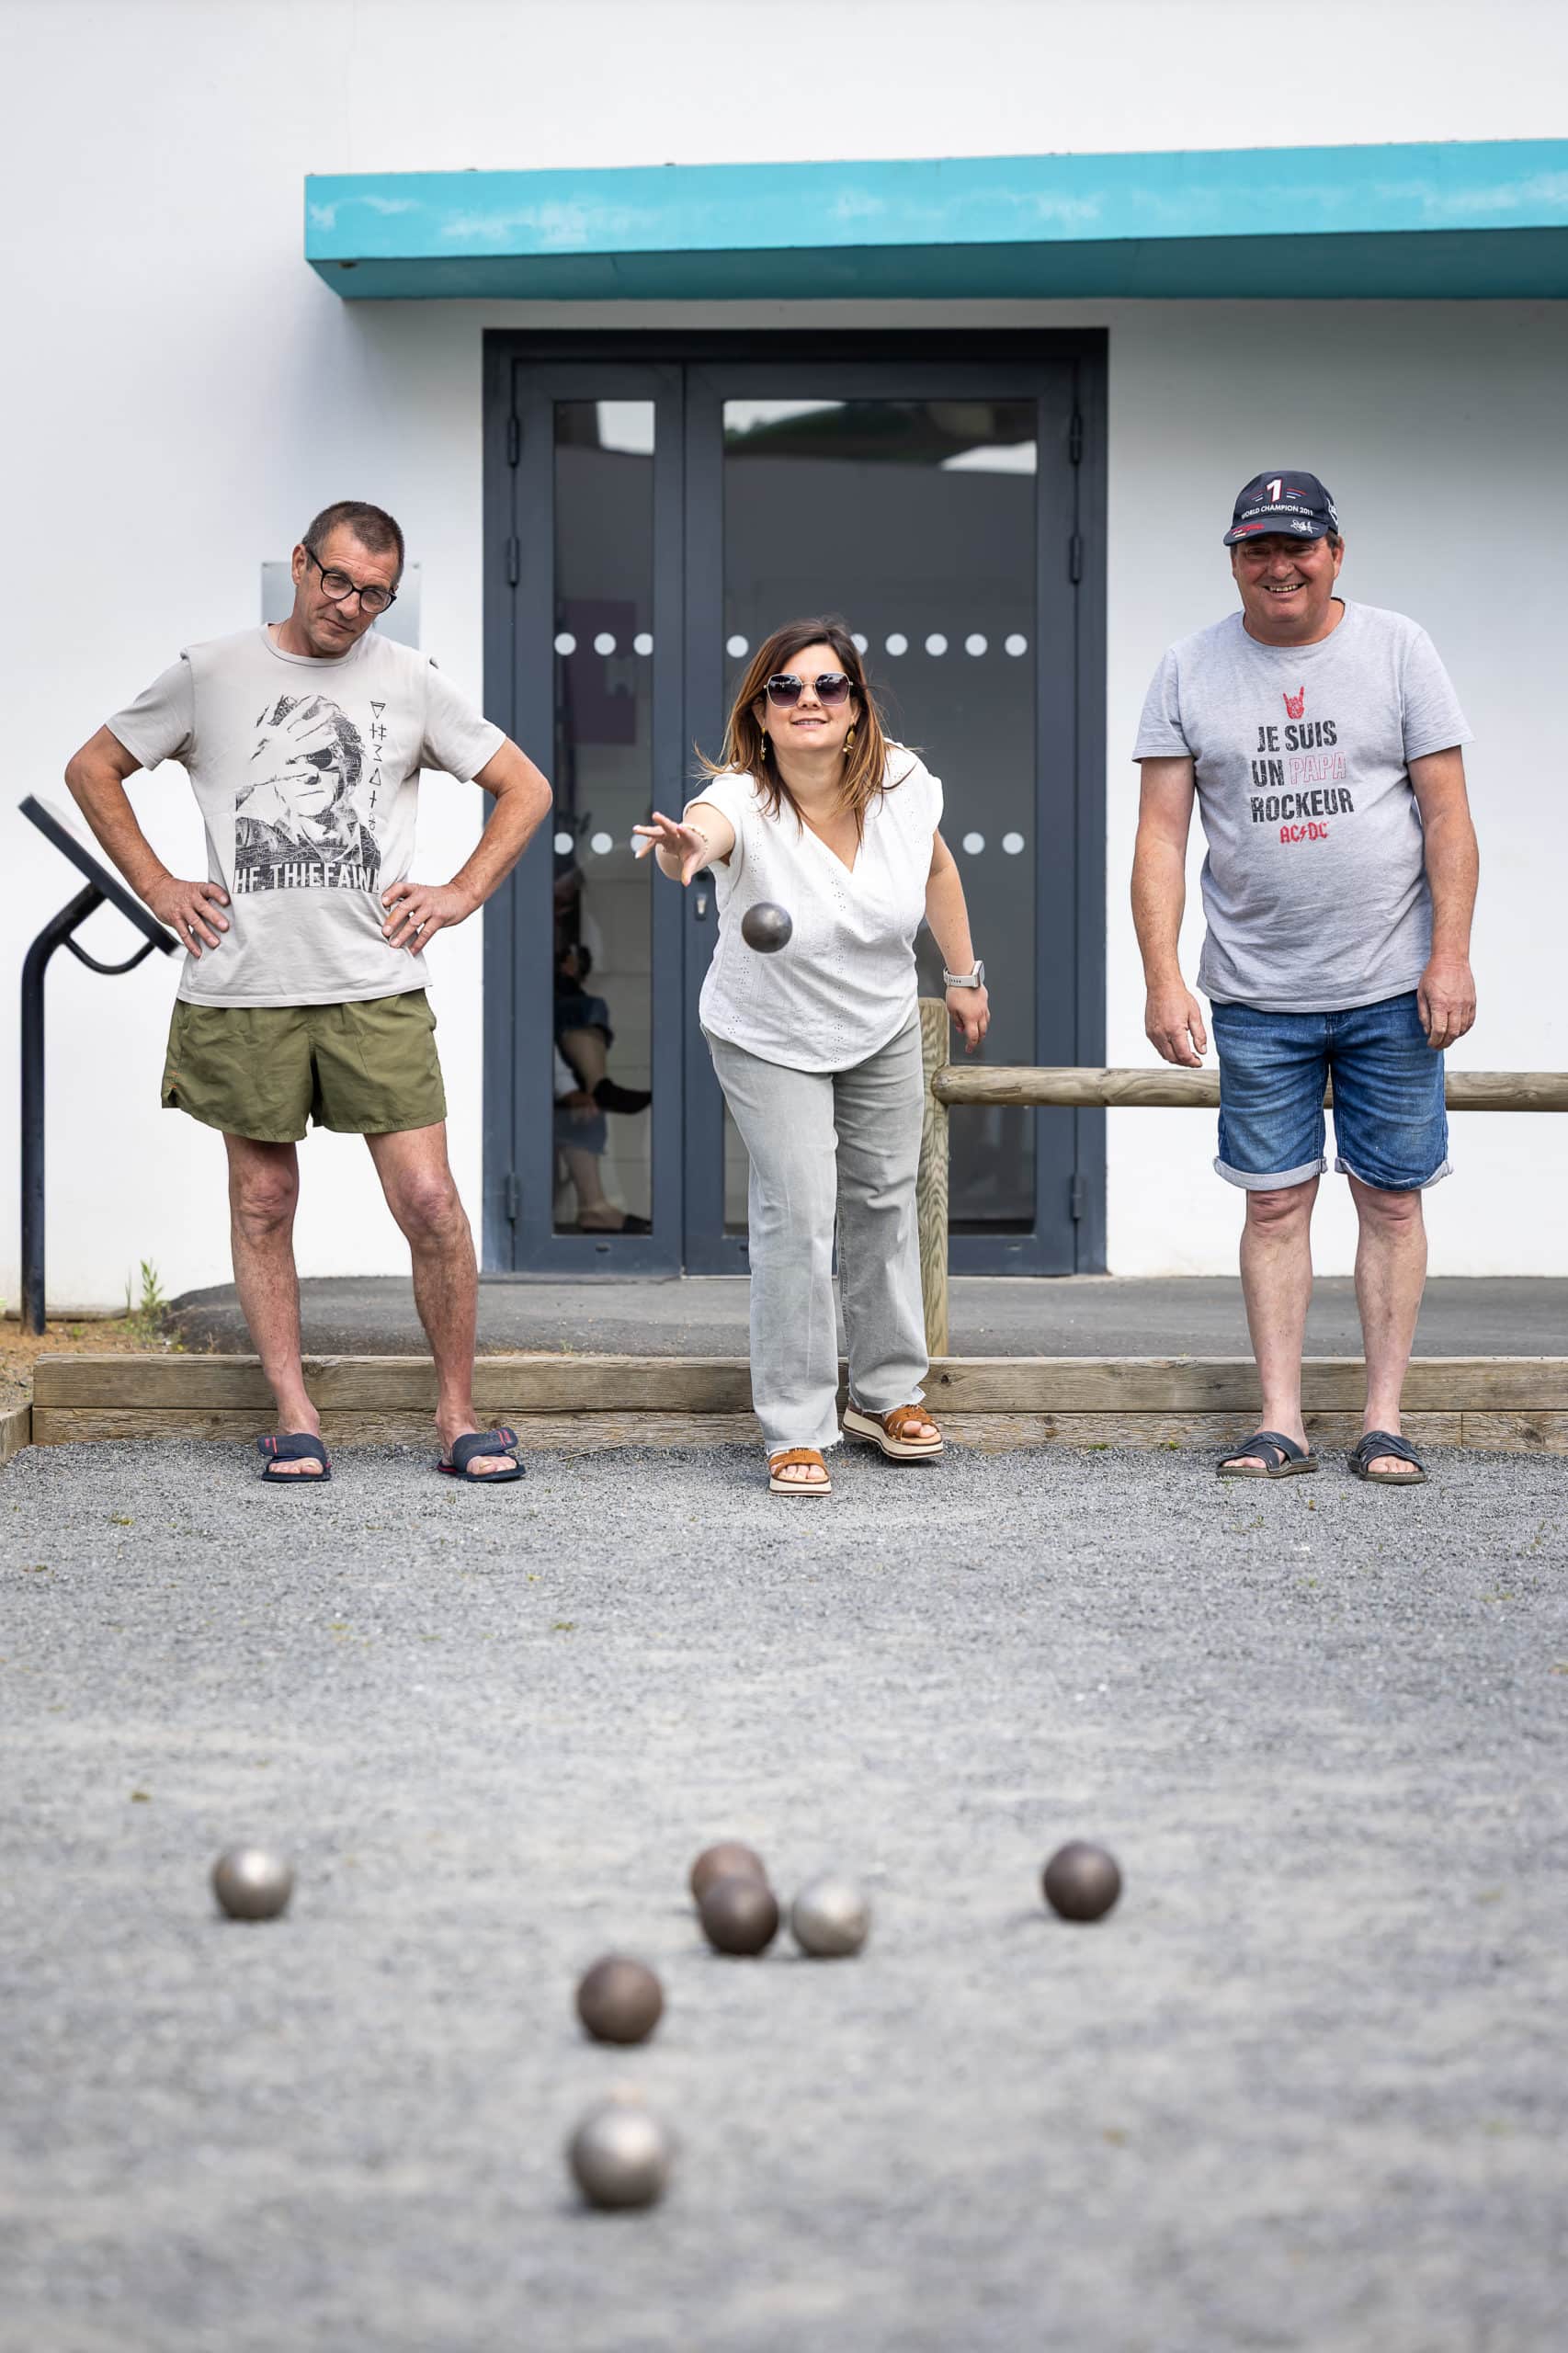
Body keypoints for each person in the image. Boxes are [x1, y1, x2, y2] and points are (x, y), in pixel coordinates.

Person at [64, 500, 553, 1486]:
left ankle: (457, 1412)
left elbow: (525, 787)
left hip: (373, 984)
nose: (351, 606)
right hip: (243, 987)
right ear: (299, 564)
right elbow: (94, 767)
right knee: (263, 1198)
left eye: (375, 592)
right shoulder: (211, 672)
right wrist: (158, 884)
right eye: (336, 580)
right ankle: (294, 1412)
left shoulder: (410, 680)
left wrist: (461, 892)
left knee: (429, 1200)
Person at [1132, 472, 1479, 1486]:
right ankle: (1277, 1422)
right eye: (1254, 549)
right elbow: (1159, 837)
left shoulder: (1397, 649)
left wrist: (1449, 954)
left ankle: (1381, 1421)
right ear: (1231, 558)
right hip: (1252, 989)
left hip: (1391, 984)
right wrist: (1163, 977)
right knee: (1272, 1204)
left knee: (1391, 1198)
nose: (1277, 566)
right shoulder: (1187, 668)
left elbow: (1447, 816)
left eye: (1296, 546)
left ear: (1333, 551)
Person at [633, 618, 988, 1497]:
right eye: (785, 689)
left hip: (879, 1019)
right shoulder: (742, 801)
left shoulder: (902, 782)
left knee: (882, 1199)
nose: (808, 703)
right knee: (799, 1211)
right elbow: (703, 836)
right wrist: (685, 850)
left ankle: (886, 1393)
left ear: (859, 708)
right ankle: (796, 1424)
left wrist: (964, 973)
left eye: (830, 686)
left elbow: (937, 870)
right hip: (768, 1032)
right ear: (759, 713)